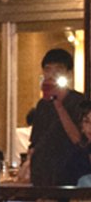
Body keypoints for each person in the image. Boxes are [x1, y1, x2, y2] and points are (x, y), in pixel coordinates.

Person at [28, 48, 85, 187]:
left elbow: (79, 140)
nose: (52, 74)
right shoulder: (42, 105)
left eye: (58, 70)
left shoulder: (79, 102)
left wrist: (58, 104)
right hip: (43, 177)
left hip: (71, 175)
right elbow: (36, 142)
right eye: (48, 69)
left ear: (68, 74)